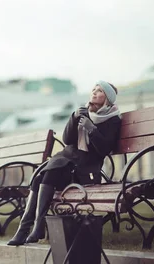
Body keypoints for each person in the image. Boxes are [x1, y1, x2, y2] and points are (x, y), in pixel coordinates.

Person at [7, 81, 122, 246]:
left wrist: (92, 129)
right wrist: (74, 117)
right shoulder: (85, 112)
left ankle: (32, 228)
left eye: (100, 91)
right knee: (42, 176)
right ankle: (28, 228)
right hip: (67, 163)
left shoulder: (112, 119)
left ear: (108, 98)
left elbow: (104, 150)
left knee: (47, 174)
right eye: (93, 89)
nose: (94, 93)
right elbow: (68, 140)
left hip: (85, 170)